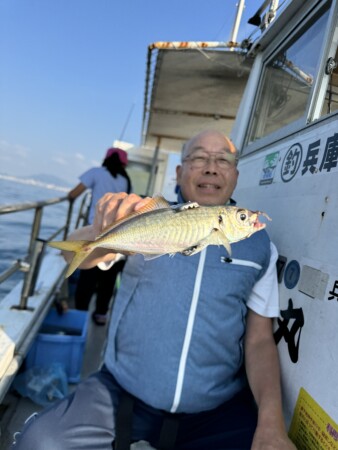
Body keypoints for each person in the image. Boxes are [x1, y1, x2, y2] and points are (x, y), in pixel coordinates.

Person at [12, 130, 296, 449]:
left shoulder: (259, 247)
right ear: (179, 171)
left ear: (236, 174)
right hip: (121, 391)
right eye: (199, 157)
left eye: (223, 160)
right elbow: (72, 255)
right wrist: (99, 232)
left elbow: (259, 340)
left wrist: (271, 423)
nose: (211, 167)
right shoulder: (152, 218)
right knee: (41, 443)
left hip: (216, 408)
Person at [68, 147, 132, 325]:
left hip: (94, 231)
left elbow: (74, 193)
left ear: (106, 158)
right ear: (124, 163)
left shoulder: (96, 172)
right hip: (119, 234)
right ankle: (101, 313)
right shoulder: (125, 180)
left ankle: (80, 313)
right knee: (109, 277)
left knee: (88, 275)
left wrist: (70, 199)